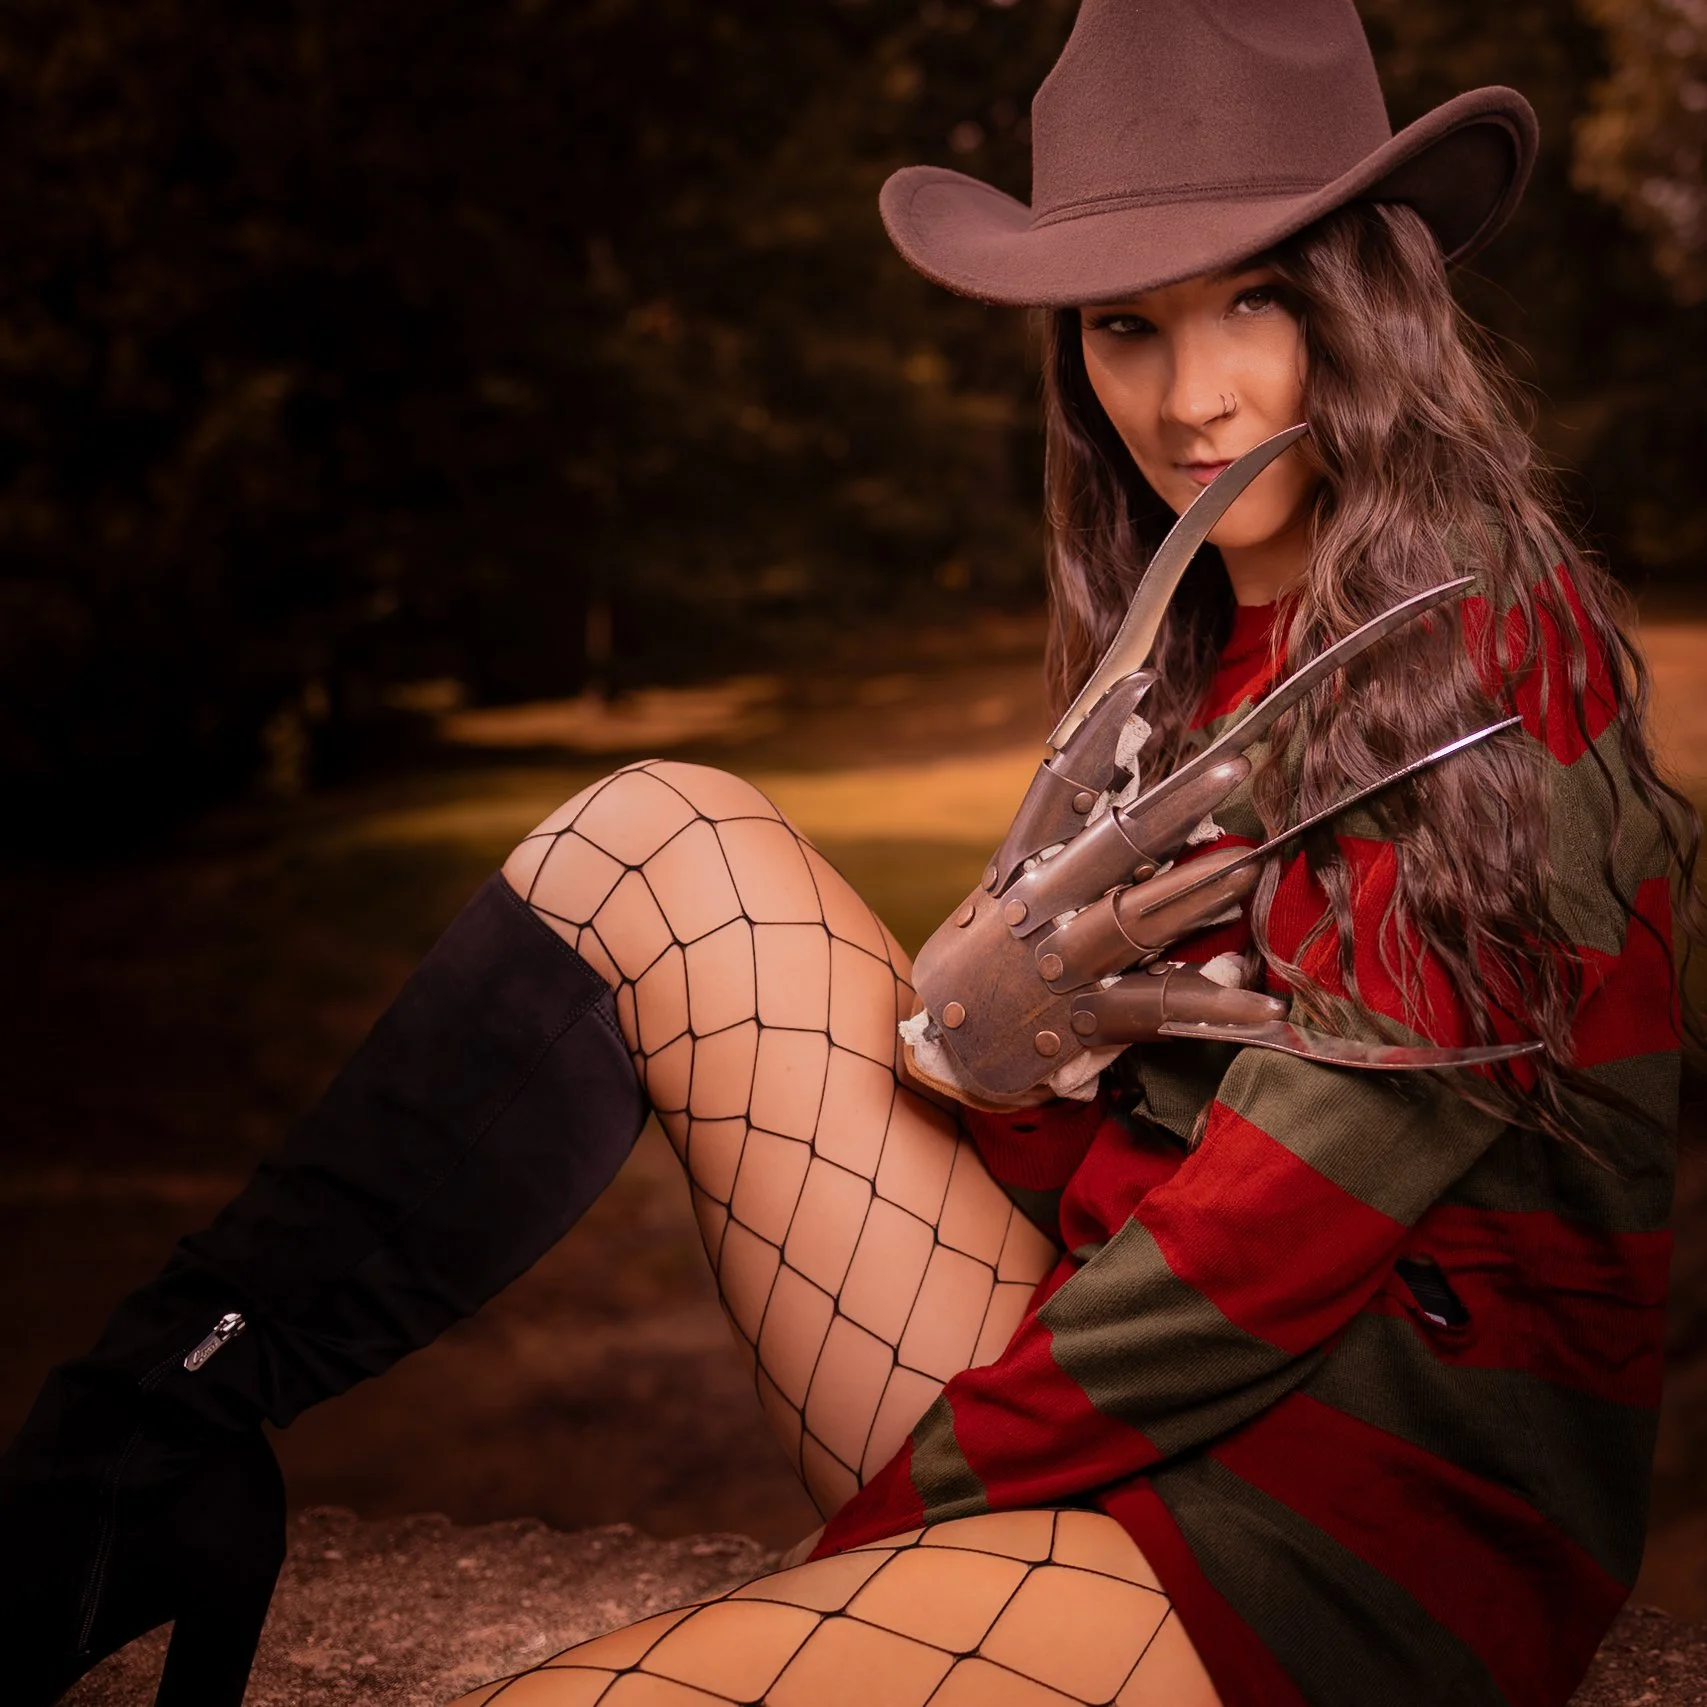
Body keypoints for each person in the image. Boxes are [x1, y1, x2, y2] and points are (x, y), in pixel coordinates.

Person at [1, 3, 1696, 1705]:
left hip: (1358, 1524)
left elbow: (1260, 1250)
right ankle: (134, 1456)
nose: (1191, 398)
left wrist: (870, 1563)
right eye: (1125, 324)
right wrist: (1001, 1063)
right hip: (1144, 1396)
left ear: (1365, 300)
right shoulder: (1191, 637)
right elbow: (1121, 1166)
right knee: (662, 838)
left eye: (1255, 299)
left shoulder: (1478, 661)